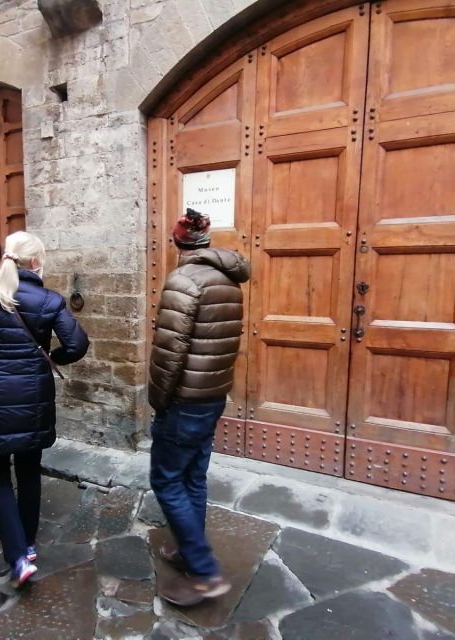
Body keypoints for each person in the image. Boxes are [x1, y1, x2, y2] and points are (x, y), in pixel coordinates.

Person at [0, 231, 89, 588]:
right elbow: (76, 344)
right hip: (33, 396)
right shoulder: (49, 300)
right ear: (36, 262)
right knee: (29, 472)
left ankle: (16, 557)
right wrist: (50, 358)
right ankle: (27, 546)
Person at [148, 208, 251, 606]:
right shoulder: (229, 279)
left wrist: (159, 399)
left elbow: (169, 354)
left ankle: (205, 572)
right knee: (194, 476)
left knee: (168, 480)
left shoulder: (183, 280)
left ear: (177, 242)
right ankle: (188, 552)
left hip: (184, 400)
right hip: (212, 396)